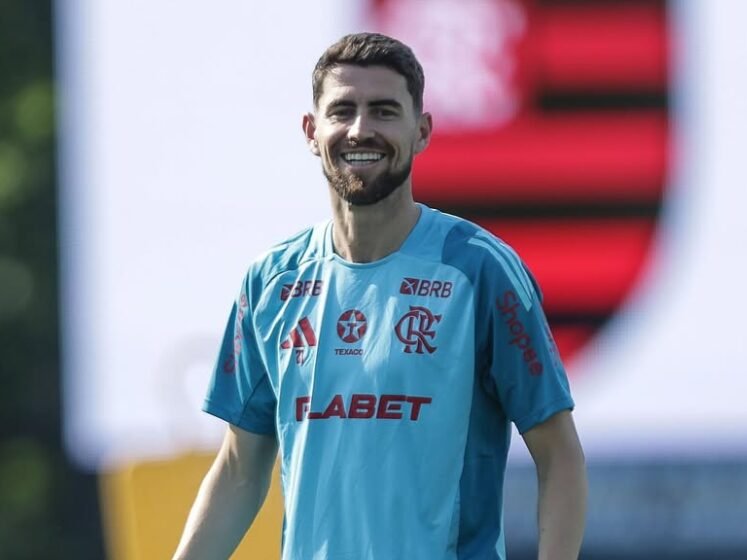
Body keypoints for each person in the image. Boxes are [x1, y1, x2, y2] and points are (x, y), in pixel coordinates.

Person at [173, 32, 587, 560]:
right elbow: (238, 469)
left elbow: (559, 456)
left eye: (384, 111)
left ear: (422, 131)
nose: (360, 129)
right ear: (311, 130)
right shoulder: (271, 282)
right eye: (342, 110)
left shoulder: (480, 270)